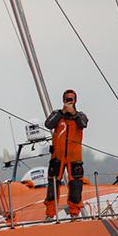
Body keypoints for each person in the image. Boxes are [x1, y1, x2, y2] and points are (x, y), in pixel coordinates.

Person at [43, 89, 88, 219]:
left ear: (75, 100)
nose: (69, 101)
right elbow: (48, 124)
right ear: (63, 100)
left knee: (75, 186)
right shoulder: (57, 114)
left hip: (74, 158)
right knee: (53, 185)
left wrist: (73, 113)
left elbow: (83, 124)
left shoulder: (81, 116)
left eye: (71, 99)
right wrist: (63, 112)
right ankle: (50, 214)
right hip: (57, 156)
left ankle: (75, 213)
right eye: (67, 99)